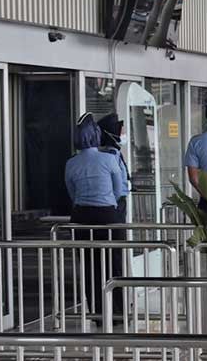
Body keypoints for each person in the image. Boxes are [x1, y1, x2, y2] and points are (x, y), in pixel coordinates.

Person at [65, 112, 129, 317]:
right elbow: (119, 191)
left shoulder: (71, 163)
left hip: (81, 218)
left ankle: (97, 312)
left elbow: (72, 193)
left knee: (89, 267)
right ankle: (118, 312)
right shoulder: (108, 160)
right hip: (108, 217)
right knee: (114, 264)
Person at [97, 113, 130, 222]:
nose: (124, 134)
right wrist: (114, 202)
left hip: (118, 200)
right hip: (116, 202)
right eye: (122, 131)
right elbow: (115, 182)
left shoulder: (115, 153)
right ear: (113, 133)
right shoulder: (110, 155)